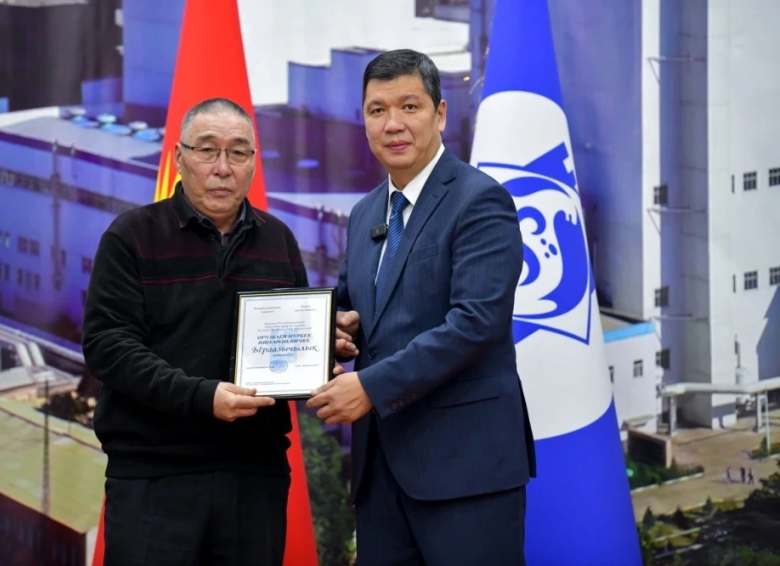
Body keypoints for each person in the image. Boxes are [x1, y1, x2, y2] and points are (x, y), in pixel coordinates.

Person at [307, 49, 537, 565]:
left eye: (409, 106)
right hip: (379, 472)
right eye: (377, 110)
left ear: (440, 113)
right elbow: (355, 307)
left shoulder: (480, 201)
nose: (393, 124)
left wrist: (370, 387)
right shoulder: (365, 212)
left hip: (465, 469)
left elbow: (475, 323)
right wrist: (333, 330)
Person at [82, 97, 318, 566]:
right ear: (179, 157)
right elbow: (109, 346)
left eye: (238, 152)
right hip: (154, 475)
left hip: (255, 477)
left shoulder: (279, 241)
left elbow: (293, 342)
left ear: (254, 161)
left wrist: (325, 343)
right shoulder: (132, 236)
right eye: (207, 150)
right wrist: (202, 397)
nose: (223, 168)